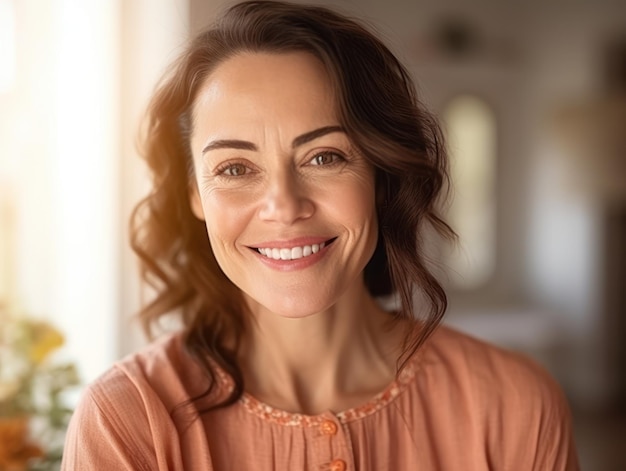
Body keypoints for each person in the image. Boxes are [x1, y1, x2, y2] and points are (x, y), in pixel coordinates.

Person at [61, 1, 580, 469]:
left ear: (380, 173)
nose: (284, 206)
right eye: (235, 168)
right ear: (195, 194)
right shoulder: (128, 421)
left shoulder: (514, 404)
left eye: (324, 157)